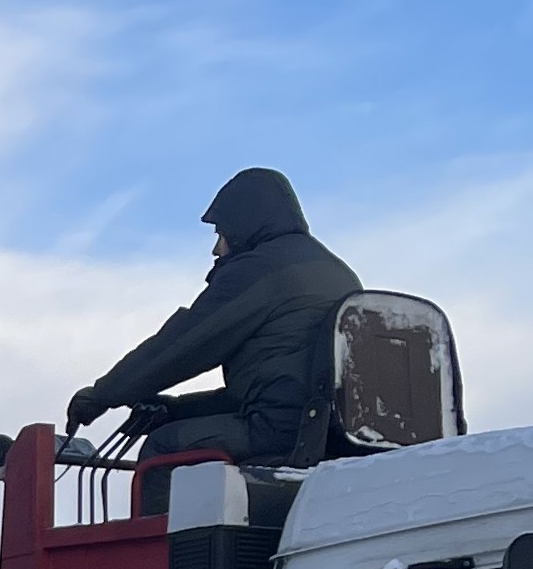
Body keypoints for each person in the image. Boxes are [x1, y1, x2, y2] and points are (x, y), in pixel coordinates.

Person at [67, 168, 362, 474]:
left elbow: (183, 345)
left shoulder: (258, 270)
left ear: (245, 224)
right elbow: (279, 388)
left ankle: (168, 525)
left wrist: (101, 395)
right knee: (179, 428)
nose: (216, 248)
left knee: (162, 447)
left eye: (221, 233)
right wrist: (176, 410)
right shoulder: (337, 272)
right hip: (330, 432)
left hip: (283, 433)